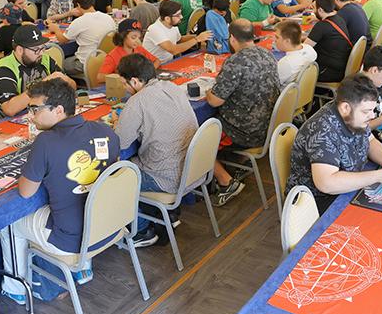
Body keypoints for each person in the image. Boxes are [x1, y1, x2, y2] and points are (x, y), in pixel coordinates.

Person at [0, 78, 122, 303]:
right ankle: (82, 269)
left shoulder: (46, 141)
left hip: (71, 239)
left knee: (9, 223)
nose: (30, 116)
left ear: (58, 110)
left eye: (35, 109)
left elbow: (25, 192)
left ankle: (16, 288)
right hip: (108, 226)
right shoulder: (105, 130)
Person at [286, 73, 382, 213]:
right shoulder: (322, 130)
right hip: (318, 201)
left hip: (347, 185)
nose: (372, 116)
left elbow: (370, 140)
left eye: (372, 110)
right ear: (345, 108)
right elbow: (326, 183)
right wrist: (377, 176)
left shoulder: (353, 115)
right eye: (367, 111)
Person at [115, 53, 199, 242]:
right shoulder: (172, 86)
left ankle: (142, 230)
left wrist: (119, 122)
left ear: (135, 81)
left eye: (124, 83)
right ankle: (166, 215)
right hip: (192, 168)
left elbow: (120, 142)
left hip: (166, 177)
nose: (124, 88)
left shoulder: (137, 101)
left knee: (115, 177)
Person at [206, 19, 280, 206]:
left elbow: (214, 100)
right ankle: (238, 163)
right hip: (269, 125)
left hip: (244, 131)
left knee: (196, 139)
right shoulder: (267, 53)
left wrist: (208, 91)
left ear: (232, 38)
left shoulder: (235, 62)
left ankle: (226, 181)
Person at [0, 25, 76, 123]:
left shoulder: (44, 59)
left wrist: (66, 81)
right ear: (20, 50)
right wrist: (44, 84)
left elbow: (72, 88)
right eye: (36, 49)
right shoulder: (4, 69)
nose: (41, 53)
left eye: (42, 48)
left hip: (35, 115)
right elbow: (10, 109)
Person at [48, 0, 116, 78]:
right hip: (105, 59)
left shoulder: (79, 21)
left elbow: (62, 40)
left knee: (57, 63)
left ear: (78, 5)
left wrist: (56, 29)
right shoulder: (108, 18)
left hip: (85, 62)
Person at [142, 0, 211, 64]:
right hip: (153, 66)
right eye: (178, 15)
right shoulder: (155, 29)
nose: (181, 17)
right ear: (167, 18)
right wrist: (197, 39)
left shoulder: (172, 25)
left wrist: (198, 36)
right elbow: (173, 50)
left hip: (168, 63)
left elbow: (179, 39)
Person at [306, 0, 352, 83]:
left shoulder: (321, 25)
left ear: (320, 10)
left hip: (329, 71)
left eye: (314, 8)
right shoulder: (339, 19)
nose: (313, 12)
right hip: (341, 66)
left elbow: (305, 48)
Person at [97, 18, 159, 84]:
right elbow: (100, 77)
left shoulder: (139, 49)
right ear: (122, 37)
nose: (137, 41)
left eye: (139, 38)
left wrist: (148, 72)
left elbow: (156, 61)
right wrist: (119, 78)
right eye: (133, 37)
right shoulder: (113, 56)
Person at [275, 20, 317, 86]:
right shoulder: (310, 49)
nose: (275, 40)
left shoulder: (285, 63)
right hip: (305, 88)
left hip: (287, 91)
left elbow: (273, 84)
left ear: (287, 41)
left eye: (277, 37)